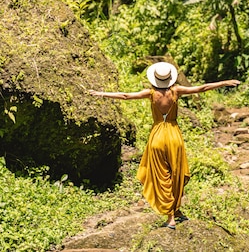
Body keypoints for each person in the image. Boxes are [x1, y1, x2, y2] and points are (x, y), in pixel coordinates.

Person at [89, 61, 240, 229]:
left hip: (157, 137)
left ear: (154, 79)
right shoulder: (176, 91)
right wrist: (225, 82)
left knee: (163, 175)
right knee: (176, 173)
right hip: (174, 135)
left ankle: (172, 215)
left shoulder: (150, 93)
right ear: (170, 79)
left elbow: (125, 96)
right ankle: (175, 212)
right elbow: (201, 88)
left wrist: (101, 93)